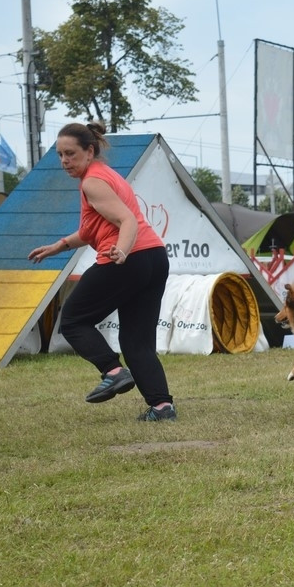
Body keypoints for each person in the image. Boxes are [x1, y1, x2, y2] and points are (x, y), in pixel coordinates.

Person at [27, 121, 176, 421]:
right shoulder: (106, 176)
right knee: (137, 341)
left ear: (89, 150)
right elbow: (92, 229)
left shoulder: (92, 182)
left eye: (70, 153)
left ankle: (114, 371)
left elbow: (127, 221)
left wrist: (121, 249)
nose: (64, 161)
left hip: (127, 258)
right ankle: (161, 407)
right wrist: (59, 246)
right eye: (59, 155)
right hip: (154, 257)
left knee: (72, 320)